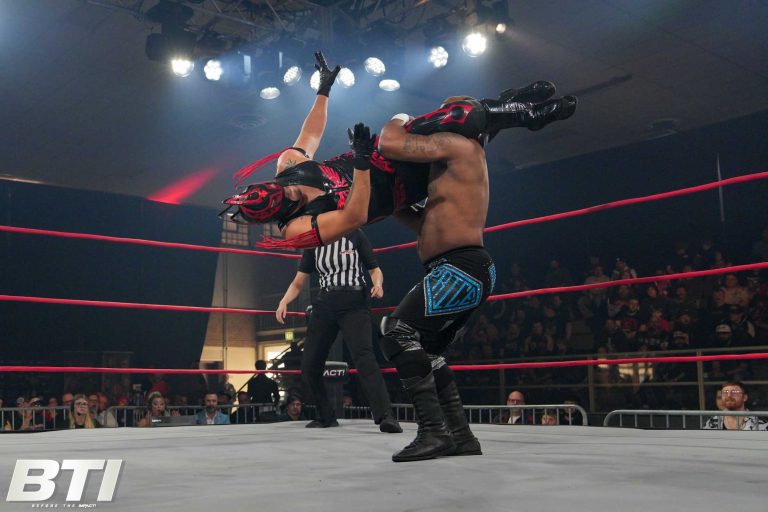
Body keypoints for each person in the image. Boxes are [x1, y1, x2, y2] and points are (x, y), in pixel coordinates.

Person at [221, 53, 576, 250]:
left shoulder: (289, 166)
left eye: (286, 188)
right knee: (467, 140)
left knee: (457, 113)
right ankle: (510, 104)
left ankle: (523, 113)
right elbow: (354, 217)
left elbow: (310, 133)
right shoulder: (296, 229)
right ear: (280, 213)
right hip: (403, 190)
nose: (293, 190)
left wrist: (324, 90)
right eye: (291, 198)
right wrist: (361, 163)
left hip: (386, 153)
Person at [370, 101, 506, 463]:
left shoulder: (458, 144)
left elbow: (389, 142)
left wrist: (399, 117)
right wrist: (392, 202)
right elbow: (427, 224)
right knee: (428, 353)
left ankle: (433, 432)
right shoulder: (453, 162)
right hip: (459, 268)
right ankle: (461, 437)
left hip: (460, 268)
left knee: (396, 331)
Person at [276, 228, 402, 433]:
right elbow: (298, 282)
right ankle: (325, 416)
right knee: (309, 364)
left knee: (364, 357)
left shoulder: (354, 234)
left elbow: (374, 269)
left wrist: (378, 284)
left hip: (354, 302)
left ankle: (386, 415)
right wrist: (283, 301)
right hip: (325, 303)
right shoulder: (313, 242)